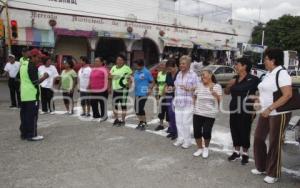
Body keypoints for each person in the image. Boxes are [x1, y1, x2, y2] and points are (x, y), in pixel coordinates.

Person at [251, 48, 292, 184]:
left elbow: (287, 95)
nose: (264, 61)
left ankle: (273, 173)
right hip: (265, 112)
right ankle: (262, 167)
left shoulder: (281, 73)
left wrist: (269, 108)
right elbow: (263, 90)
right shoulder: (269, 74)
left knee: (274, 142)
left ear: (272, 60)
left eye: (266, 59)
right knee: (258, 138)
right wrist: (258, 100)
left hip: (278, 113)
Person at [224, 57, 260, 165]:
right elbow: (226, 92)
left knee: (244, 130)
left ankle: (245, 153)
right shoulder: (234, 78)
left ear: (244, 66)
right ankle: (236, 152)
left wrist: (257, 101)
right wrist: (229, 85)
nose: (236, 66)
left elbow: (262, 91)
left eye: (237, 64)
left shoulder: (253, 79)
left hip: (247, 110)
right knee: (234, 129)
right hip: (234, 108)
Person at [19, 49, 49, 141]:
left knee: (24, 115)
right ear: (33, 57)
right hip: (32, 95)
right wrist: (44, 77)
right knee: (32, 116)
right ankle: (32, 135)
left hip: (24, 94)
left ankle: (24, 134)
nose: (40, 60)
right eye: (39, 57)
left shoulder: (23, 64)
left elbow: (18, 78)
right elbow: (35, 82)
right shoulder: (32, 66)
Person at [192, 70, 222, 158]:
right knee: (196, 132)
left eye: (204, 75)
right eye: (201, 75)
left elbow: (220, 100)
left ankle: (206, 148)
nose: (202, 77)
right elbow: (194, 96)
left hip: (210, 114)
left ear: (210, 75)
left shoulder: (217, 86)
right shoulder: (199, 85)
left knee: (206, 132)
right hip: (197, 113)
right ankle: (199, 148)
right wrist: (194, 105)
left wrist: (215, 94)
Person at [173, 55, 199, 149]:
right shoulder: (179, 74)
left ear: (188, 64)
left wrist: (190, 89)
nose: (181, 65)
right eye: (180, 63)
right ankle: (180, 139)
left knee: (185, 122)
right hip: (178, 101)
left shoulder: (193, 75)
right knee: (178, 121)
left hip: (188, 103)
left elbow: (198, 88)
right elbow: (176, 85)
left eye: (183, 63)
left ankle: (187, 141)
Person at [110, 54, 132, 126]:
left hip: (123, 89)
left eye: (120, 60)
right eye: (117, 60)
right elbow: (109, 76)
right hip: (115, 89)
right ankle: (116, 119)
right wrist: (109, 87)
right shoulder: (113, 67)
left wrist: (129, 84)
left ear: (123, 61)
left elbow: (129, 78)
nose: (118, 61)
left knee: (123, 105)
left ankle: (123, 120)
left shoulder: (127, 68)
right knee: (114, 105)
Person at [133, 59, 154, 130]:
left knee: (140, 108)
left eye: (136, 65)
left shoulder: (146, 72)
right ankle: (141, 122)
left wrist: (150, 89)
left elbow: (152, 81)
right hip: (137, 92)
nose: (135, 67)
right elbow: (135, 81)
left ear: (141, 65)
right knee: (136, 108)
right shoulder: (136, 72)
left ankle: (144, 123)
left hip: (144, 93)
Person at [89, 57, 109, 121]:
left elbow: (109, 79)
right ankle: (96, 115)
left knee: (102, 103)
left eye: (97, 61)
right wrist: (89, 85)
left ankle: (104, 116)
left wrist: (109, 88)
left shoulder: (105, 69)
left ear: (101, 62)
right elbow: (91, 78)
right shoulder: (93, 69)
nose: (96, 62)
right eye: (95, 61)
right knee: (93, 103)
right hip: (93, 89)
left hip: (102, 90)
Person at [165, 59, 179, 140]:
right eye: (168, 69)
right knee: (170, 113)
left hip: (177, 96)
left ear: (175, 67)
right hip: (169, 95)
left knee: (175, 114)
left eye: (170, 68)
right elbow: (167, 83)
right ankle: (172, 130)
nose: (169, 70)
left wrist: (173, 88)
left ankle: (176, 131)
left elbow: (180, 85)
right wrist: (166, 89)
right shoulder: (168, 74)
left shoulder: (179, 74)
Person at [155, 62, 168, 131]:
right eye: (160, 65)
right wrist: (156, 95)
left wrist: (163, 94)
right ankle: (161, 124)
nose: (160, 66)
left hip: (167, 96)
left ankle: (171, 126)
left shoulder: (168, 74)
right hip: (160, 95)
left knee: (168, 111)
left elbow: (166, 85)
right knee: (161, 111)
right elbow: (157, 85)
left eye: (162, 65)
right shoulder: (159, 73)